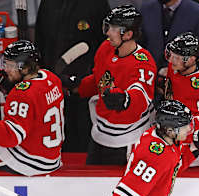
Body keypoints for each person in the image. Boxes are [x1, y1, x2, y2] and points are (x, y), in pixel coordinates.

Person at [64, 4, 157, 165]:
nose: (108, 33)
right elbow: (100, 78)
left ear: (128, 34)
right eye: (108, 27)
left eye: (114, 29)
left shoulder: (144, 62)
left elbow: (141, 96)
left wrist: (125, 99)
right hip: (100, 133)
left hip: (130, 138)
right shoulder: (106, 48)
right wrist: (78, 86)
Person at [0, 40, 65, 176]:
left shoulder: (22, 93)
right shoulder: (51, 78)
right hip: (52, 158)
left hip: (27, 160)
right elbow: (34, 106)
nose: (6, 69)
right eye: (6, 64)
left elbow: (11, 136)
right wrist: (9, 88)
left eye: (11, 66)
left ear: (25, 68)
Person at [35, 0, 110, 152]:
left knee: (84, 133)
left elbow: (107, 44)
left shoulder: (97, 4)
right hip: (54, 85)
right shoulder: (48, 3)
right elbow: (40, 40)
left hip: (85, 86)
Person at [163, 32, 199, 166]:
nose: (171, 60)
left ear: (191, 60)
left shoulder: (198, 88)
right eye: (171, 55)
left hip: (191, 153)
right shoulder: (185, 63)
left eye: (176, 57)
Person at [139, 0, 199, 71]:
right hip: (149, 76)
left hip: (182, 79)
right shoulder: (146, 9)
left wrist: (180, 67)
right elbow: (138, 44)